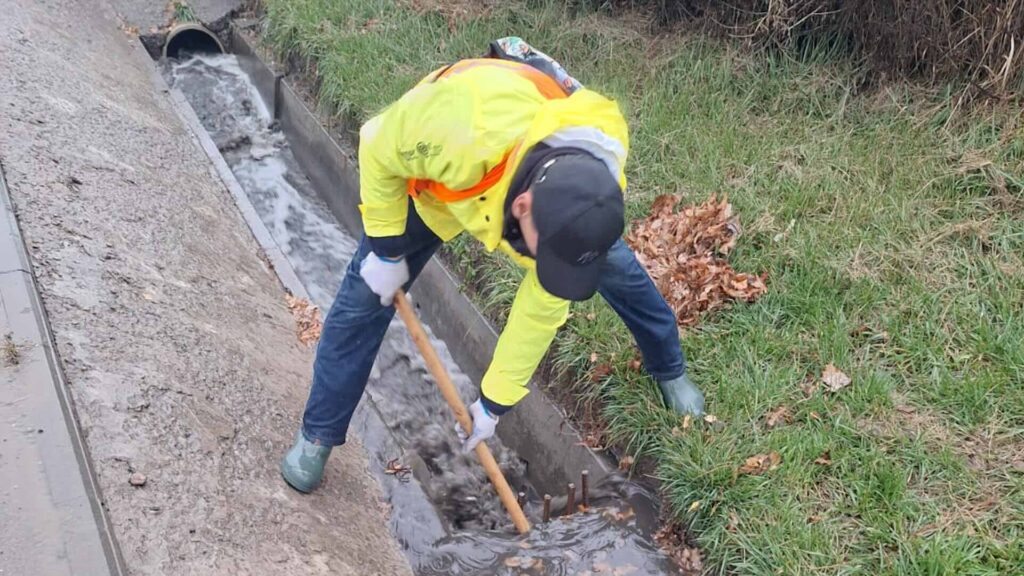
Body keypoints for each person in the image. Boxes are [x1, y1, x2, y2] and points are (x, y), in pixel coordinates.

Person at [280, 39, 705, 493]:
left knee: (615, 267)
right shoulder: (456, 129)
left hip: (542, 191)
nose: (552, 269)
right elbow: (377, 145)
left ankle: (669, 366)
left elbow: (541, 309)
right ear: (523, 207)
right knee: (364, 298)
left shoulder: (592, 185)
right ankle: (317, 435)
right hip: (447, 185)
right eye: (550, 255)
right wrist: (385, 249)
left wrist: (493, 402)